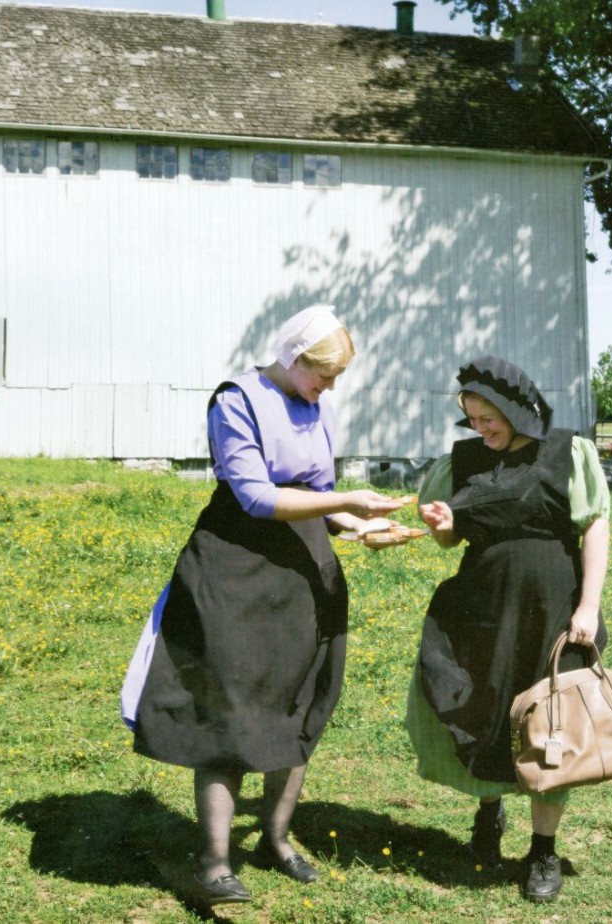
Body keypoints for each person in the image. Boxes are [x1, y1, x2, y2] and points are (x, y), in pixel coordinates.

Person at [123, 305, 409, 905]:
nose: (328, 389)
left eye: (334, 379)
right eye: (322, 375)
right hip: (236, 566)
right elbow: (254, 495)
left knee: (294, 702)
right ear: (293, 357)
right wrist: (345, 498)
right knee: (229, 709)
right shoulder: (237, 399)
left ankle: (275, 840)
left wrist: (356, 527)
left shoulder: (319, 406)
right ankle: (214, 862)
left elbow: (318, 499)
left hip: (302, 572)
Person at [405, 357, 610, 903]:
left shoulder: (568, 450)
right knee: (486, 712)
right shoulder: (465, 460)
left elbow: (593, 527)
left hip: (553, 610)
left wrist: (588, 606)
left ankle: (542, 852)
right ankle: (489, 811)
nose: (480, 430)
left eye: (488, 418)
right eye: (471, 419)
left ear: (517, 411)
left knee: (553, 730)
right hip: (483, 608)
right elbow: (452, 539)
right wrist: (445, 526)